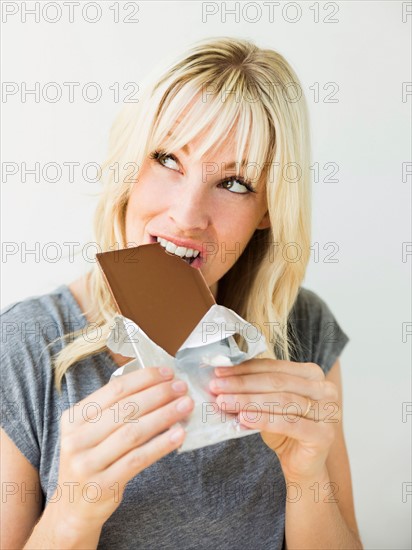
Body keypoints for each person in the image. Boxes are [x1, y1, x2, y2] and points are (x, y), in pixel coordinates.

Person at [0, 36, 363, 549]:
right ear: (129, 165)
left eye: (235, 183)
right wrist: (72, 511)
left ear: (267, 212)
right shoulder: (23, 345)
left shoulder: (301, 328)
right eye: (168, 158)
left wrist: (308, 480)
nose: (188, 215)